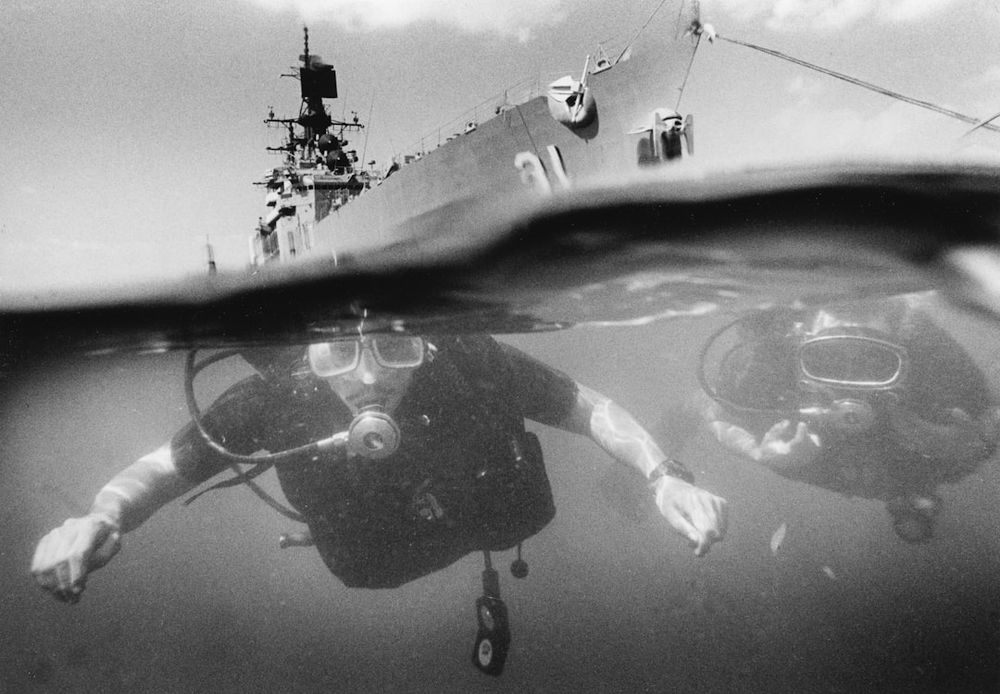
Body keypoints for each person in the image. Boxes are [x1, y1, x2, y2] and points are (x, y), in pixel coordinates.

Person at [32, 332, 727, 602]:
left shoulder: (468, 358)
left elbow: (584, 406)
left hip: (501, 516)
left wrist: (662, 473)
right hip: (375, 560)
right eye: (337, 353)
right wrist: (102, 515)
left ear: (424, 345)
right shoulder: (279, 394)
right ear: (308, 355)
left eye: (393, 348)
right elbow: (165, 467)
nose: (369, 379)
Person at [688, 293, 1000, 542]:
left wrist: (969, 443)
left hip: (910, 472)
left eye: (874, 362)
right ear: (800, 343)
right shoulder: (769, 363)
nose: (849, 381)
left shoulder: (939, 364)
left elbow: (992, 416)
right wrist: (757, 451)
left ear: (903, 352)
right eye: (827, 360)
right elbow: (709, 408)